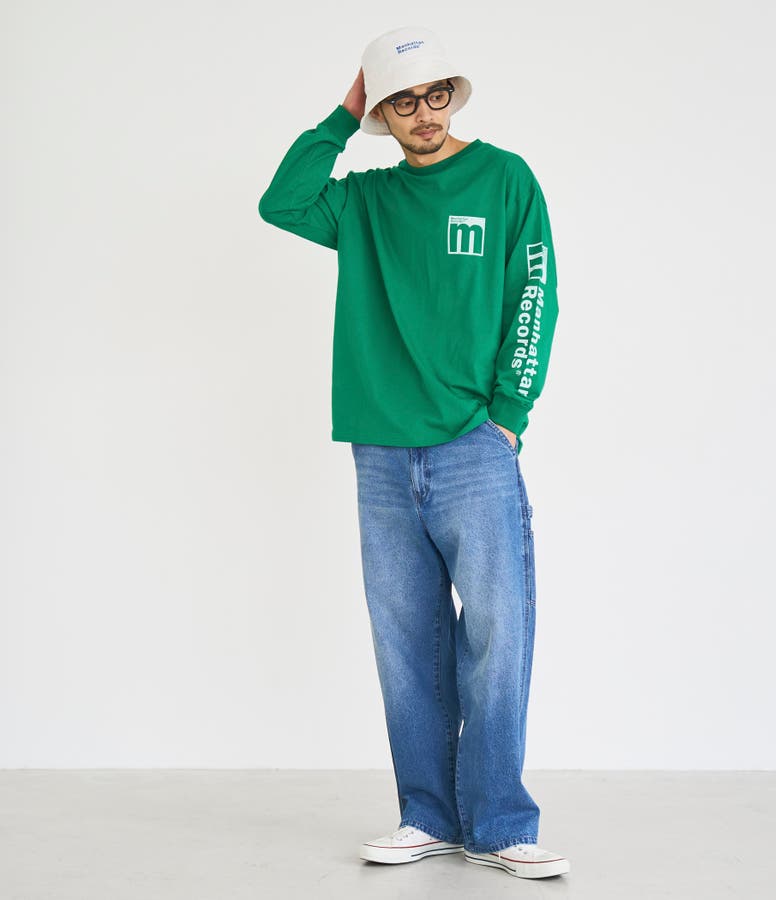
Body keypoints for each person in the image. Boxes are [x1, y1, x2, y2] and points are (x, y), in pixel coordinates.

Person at [258, 25, 567, 880]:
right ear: (381, 113)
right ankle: (427, 815)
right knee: (406, 643)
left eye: (434, 96)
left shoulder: (505, 178)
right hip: (382, 452)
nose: (423, 114)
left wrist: (509, 415)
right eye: (401, 102)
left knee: (498, 635)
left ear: (452, 96)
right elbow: (281, 202)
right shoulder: (364, 202)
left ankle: (500, 823)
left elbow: (534, 290)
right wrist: (340, 116)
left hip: (475, 445)